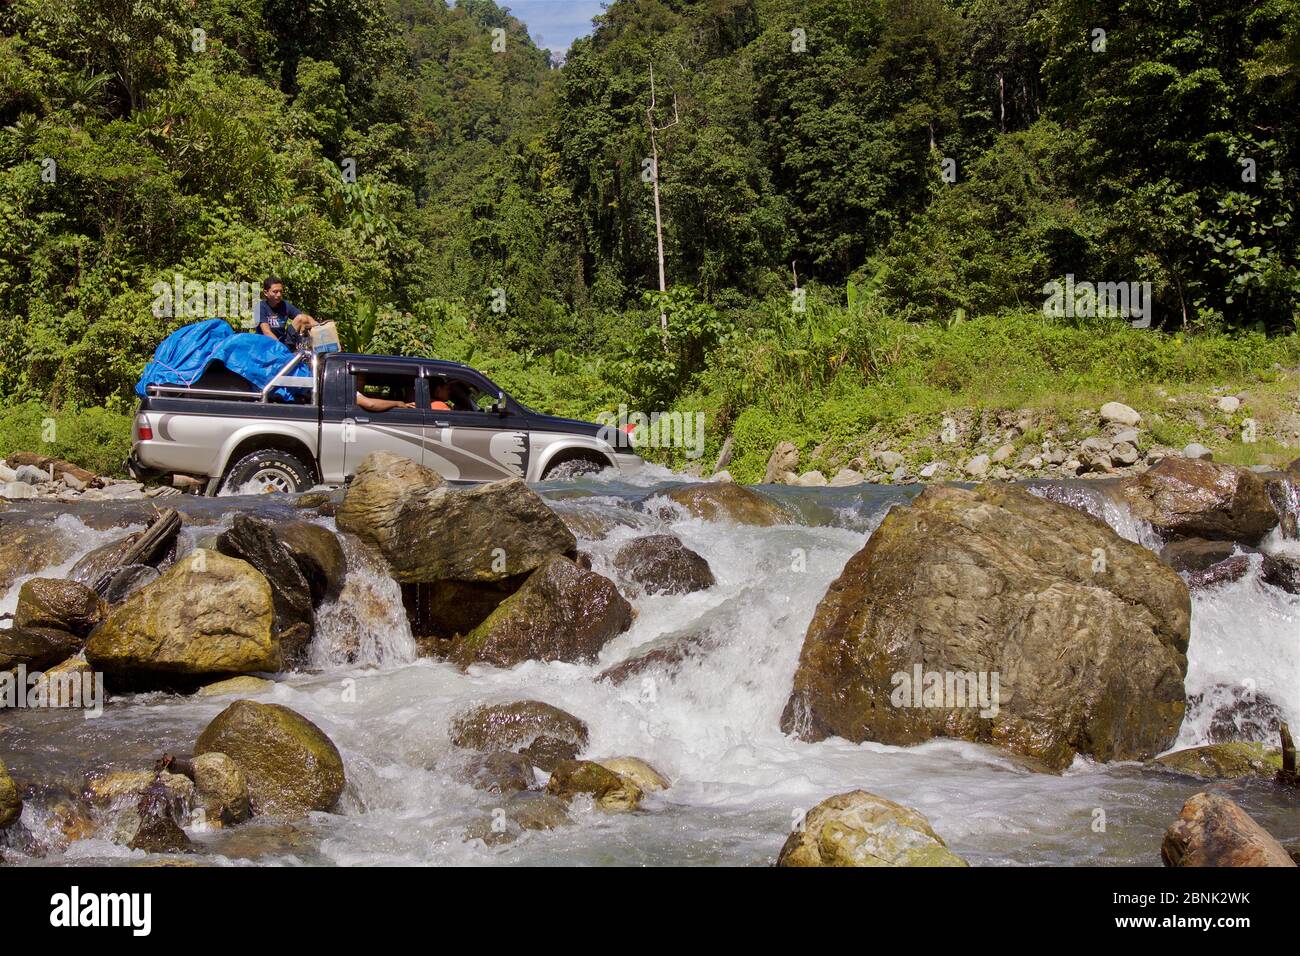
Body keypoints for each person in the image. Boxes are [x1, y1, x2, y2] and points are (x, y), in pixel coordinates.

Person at [256, 277, 318, 350]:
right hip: (267, 345)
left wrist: (320, 327)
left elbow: (304, 317)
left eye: (280, 291)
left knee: (302, 318)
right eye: (275, 291)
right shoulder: (260, 307)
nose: (279, 295)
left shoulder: (284, 305)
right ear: (266, 293)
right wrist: (280, 348)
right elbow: (266, 332)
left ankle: (311, 347)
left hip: (284, 342)